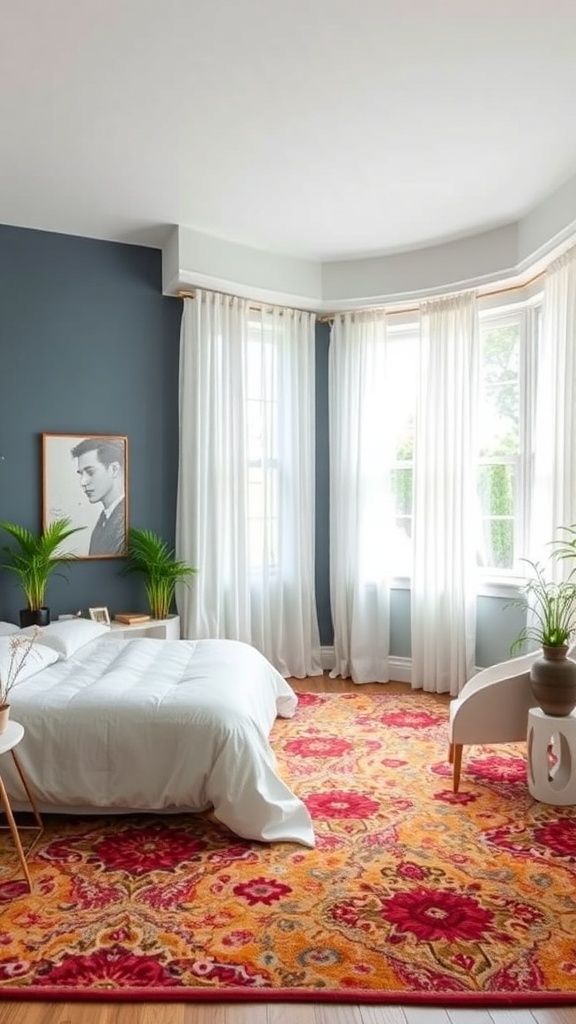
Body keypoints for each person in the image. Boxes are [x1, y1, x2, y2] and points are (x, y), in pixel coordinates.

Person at [71, 437, 126, 556]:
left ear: (114, 469)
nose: (83, 482)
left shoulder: (124, 521)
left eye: (90, 472)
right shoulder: (103, 520)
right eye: (81, 474)